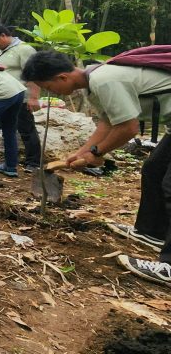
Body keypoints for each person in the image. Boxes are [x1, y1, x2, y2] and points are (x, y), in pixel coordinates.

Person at [22, 50, 171, 287]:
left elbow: (128, 128)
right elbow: (108, 123)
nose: (50, 92)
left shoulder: (104, 80)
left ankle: (168, 266)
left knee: (170, 185)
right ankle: (151, 232)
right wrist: (81, 153)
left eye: (48, 86)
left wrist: (96, 153)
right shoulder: (94, 82)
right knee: (153, 170)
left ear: (62, 77)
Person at [0, 24, 42, 169]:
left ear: (3, 35)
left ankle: (33, 162)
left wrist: (33, 97)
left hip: (19, 96)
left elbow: (34, 74)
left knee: (26, 128)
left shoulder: (24, 49)